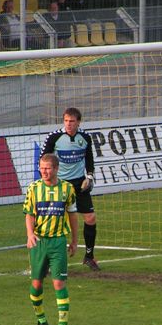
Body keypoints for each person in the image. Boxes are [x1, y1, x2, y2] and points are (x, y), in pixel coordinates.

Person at [24, 154, 78, 325]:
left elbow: (72, 215)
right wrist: (30, 234)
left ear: (56, 169)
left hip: (58, 242)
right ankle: (40, 318)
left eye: (47, 168)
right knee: (37, 284)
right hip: (39, 242)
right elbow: (29, 214)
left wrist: (75, 241)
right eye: (41, 167)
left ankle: (63, 323)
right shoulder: (33, 189)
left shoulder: (67, 189)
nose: (44, 171)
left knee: (58, 283)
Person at [40, 107, 100, 271]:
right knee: (53, 222)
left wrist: (89, 177)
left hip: (79, 185)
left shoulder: (85, 137)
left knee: (90, 218)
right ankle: (46, 262)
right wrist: (49, 181)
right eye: (66, 121)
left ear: (78, 122)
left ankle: (89, 256)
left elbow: (89, 159)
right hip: (59, 185)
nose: (68, 124)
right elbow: (43, 160)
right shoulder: (54, 137)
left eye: (72, 121)